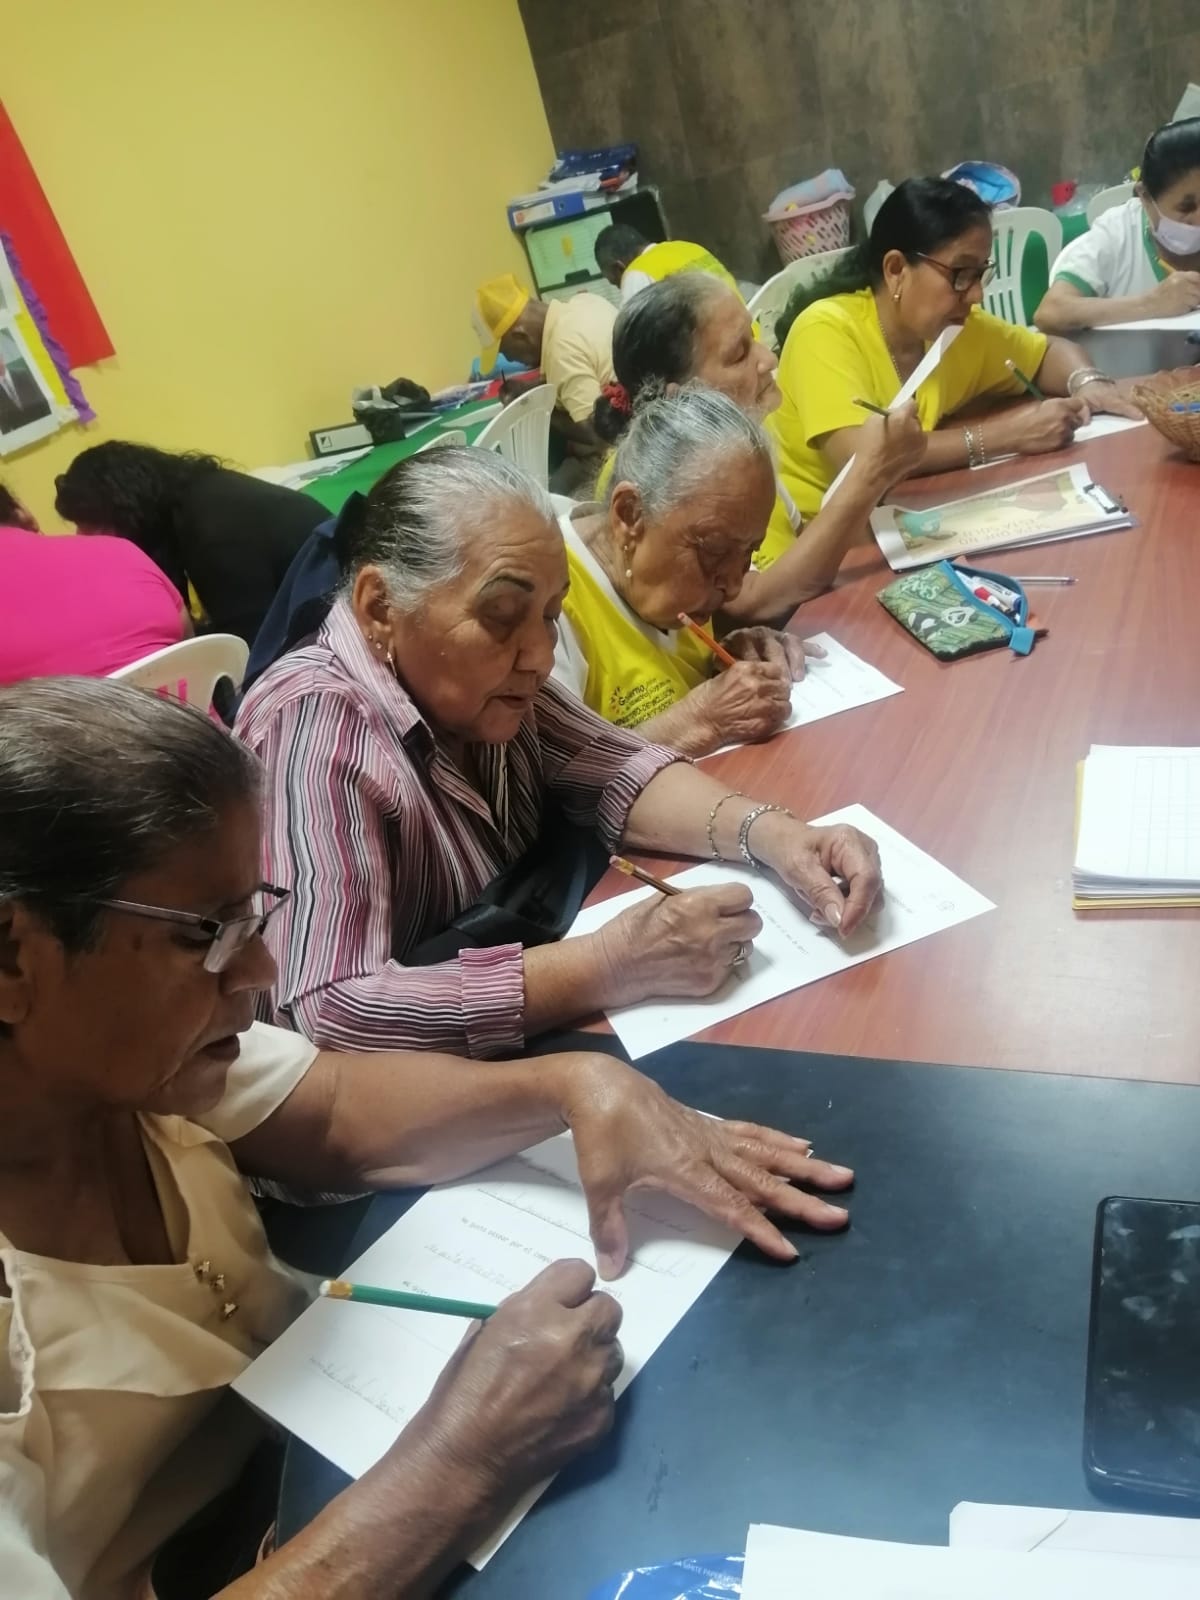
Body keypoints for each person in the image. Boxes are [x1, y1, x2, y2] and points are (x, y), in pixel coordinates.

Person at [0, 675, 856, 1599]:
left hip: (312, 1452)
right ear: (12, 957)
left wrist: (578, 1085)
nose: (259, 969)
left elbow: (334, 1109)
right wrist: (459, 1466)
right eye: (207, 933)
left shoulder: (131, 1067)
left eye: (256, 916)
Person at [235, 446, 882, 1059]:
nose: (541, 657)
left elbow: (620, 766)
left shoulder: (482, 683)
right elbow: (329, 1009)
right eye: (502, 615)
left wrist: (776, 835)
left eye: (551, 615)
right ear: (381, 608)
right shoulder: (314, 728)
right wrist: (609, 964)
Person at [769, 177, 1143, 524]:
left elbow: (1047, 353)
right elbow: (865, 458)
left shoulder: (952, 330)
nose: (976, 294)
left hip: (904, 517)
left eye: (981, 274)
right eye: (960, 274)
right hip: (820, 542)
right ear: (896, 269)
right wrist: (1007, 435)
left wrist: (1087, 382)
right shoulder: (824, 330)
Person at [591, 272, 927, 619]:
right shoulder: (650, 470)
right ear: (683, 398)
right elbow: (748, 603)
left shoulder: (746, 447)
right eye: (739, 355)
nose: (768, 360)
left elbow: (805, 541)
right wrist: (869, 472)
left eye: (754, 340)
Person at [555, 384, 822, 756]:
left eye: (749, 552)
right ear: (630, 514)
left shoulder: (675, 571)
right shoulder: (551, 601)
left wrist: (731, 656)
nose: (733, 587)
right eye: (714, 551)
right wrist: (701, 719)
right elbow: (556, 776)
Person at [54, 442, 329, 646]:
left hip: (330, 620)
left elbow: (249, 642)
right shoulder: (196, 496)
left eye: (89, 523)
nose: (83, 537)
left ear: (122, 508)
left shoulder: (212, 529)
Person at [1035, 119, 1200, 334]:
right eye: (1186, 207)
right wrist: (1152, 303)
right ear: (1145, 197)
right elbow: (1050, 312)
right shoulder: (1116, 235)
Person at [0, 508, 188, 684]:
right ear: (22, 513)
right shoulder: (121, 549)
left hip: (65, 708)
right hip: (184, 703)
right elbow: (189, 640)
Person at [473, 273, 617, 451]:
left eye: (505, 352)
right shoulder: (586, 301)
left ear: (521, 336)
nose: (510, 359)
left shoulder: (561, 351)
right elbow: (584, 370)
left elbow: (597, 434)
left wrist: (534, 408)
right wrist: (529, 388)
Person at [594, 224, 743, 304]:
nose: (621, 287)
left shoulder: (637, 273)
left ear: (619, 268)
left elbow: (633, 341)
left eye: (616, 283)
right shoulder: (688, 247)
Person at [0, 335, 51, 434]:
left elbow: (41, 399)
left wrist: (50, 421)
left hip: (42, 424)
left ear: (2, 358)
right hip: (20, 434)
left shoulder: (23, 374)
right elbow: (3, 422)